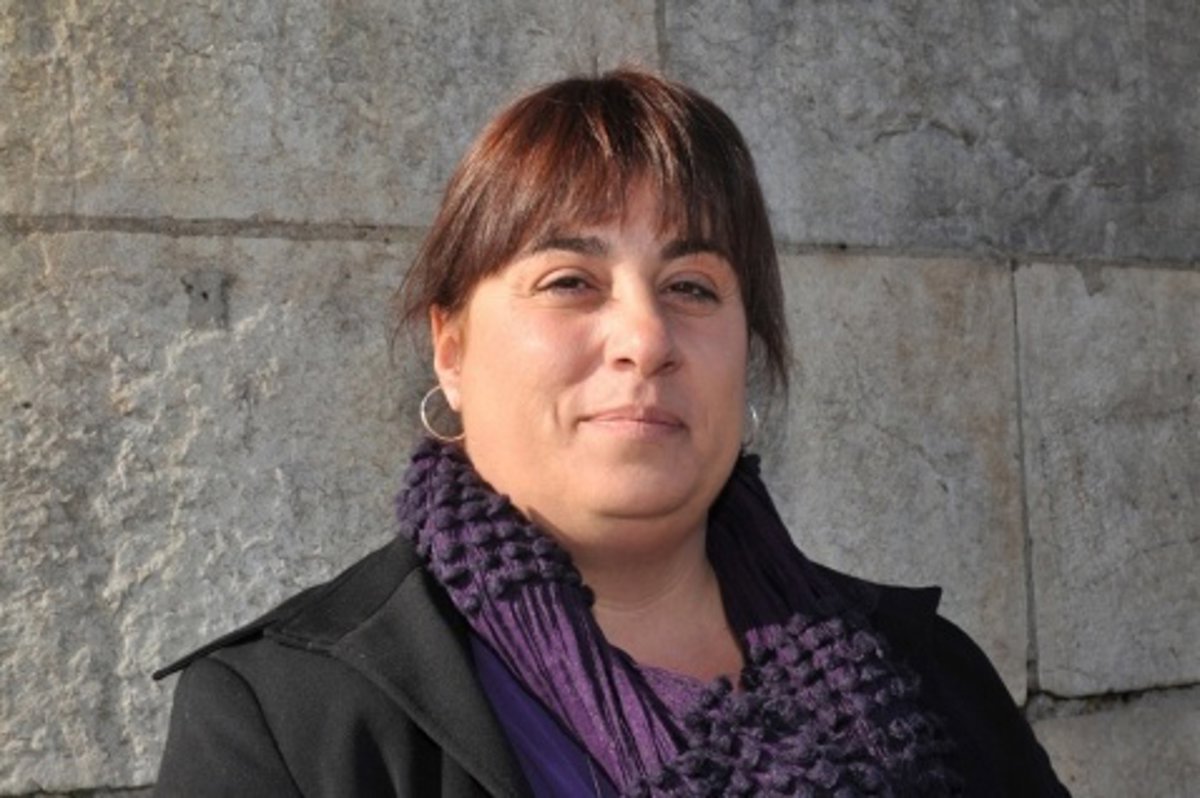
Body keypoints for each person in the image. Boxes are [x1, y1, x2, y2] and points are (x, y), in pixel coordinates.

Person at [153, 69, 1069, 797]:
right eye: (570, 282)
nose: (646, 338)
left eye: (692, 287)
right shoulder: (287, 720)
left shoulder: (927, 678)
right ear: (452, 348)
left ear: (746, 352)